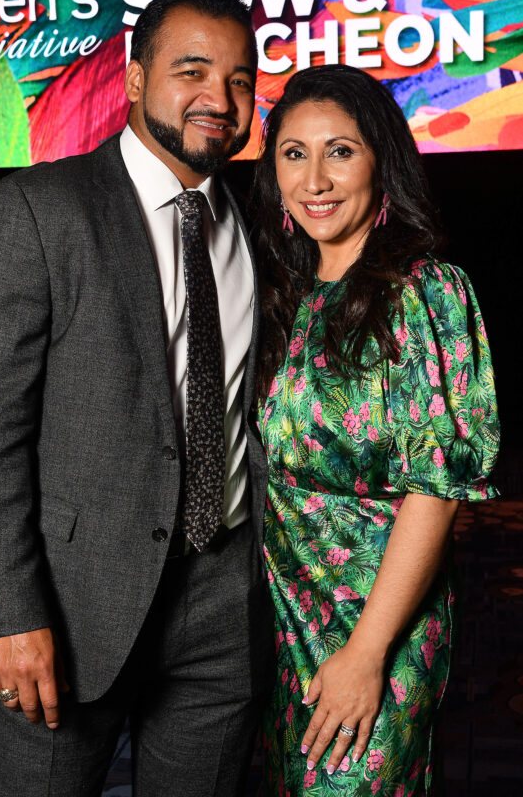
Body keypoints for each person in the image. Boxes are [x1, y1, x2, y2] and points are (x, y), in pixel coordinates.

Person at [0, 0, 275, 797]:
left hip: (222, 606)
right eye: (191, 70)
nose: (219, 99)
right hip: (67, 608)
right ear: (132, 80)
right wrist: (8, 612)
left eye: (239, 80)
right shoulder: (38, 210)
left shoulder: (260, 228)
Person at [253, 65, 499, 796]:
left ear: (380, 163)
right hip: (277, 623)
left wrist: (366, 654)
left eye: (340, 150)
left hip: (375, 628)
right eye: (293, 153)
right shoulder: (281, 296)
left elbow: (436, 490)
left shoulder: (424, 292)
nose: (315, 178)